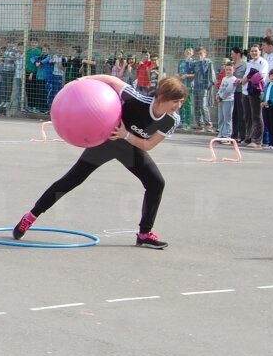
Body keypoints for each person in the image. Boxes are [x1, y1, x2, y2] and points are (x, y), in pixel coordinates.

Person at [13, 75, 189, 250]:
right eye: (175, 101)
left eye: (181, 102)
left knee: (156, 183)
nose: (178, 106)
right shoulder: (137, 99)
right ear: (162, 97)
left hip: (130, 148)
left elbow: (148, 145)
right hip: (106, 143)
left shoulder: (172, 120)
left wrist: (125, 135)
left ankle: (144, 234)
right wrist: (82, 80)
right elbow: (112, 80)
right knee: (71, 180)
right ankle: (30, 217)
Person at [216, 63, 236, 139]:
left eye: (230, 70)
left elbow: (229, 90)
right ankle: (221, 133)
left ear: (233, 70)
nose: (228, 71)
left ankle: (227, 135)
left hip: (228, 100)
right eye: (227, 70)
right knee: (221, 118)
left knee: (227, 118)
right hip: (221, 100)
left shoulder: (233, 79)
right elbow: (221, 88)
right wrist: (218, 95)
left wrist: (221, 97)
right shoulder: (224, 78)